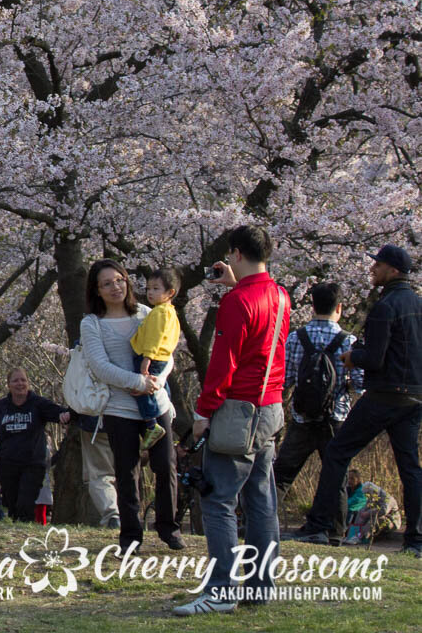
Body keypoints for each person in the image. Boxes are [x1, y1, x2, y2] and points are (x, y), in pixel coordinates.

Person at [174, 225, 288, 616]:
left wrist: (204, 413)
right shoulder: (280, 295)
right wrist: (235, 283)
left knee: (218, 499)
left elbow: (224, 363)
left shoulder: (238, 302)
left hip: (238, 408)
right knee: (261, 501)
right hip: (271, 407)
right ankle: (259, 588)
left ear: (236, 253)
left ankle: (221, 590)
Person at [291, 244, 422, 557]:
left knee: (338, 451)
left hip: (383, 395)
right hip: (414, 397)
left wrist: (352, 357)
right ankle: (416, 539)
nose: (373, 269)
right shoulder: (418, 303)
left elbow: (374, 357)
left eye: (378, 265)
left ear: (392, 270)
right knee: (410, 468)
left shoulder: (385, 305)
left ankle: (320, 526)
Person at [80, 259, 182, 554]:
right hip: (120, 406)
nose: (116, 287)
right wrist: (138, 383)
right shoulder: (92, 323)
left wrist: (158, 380)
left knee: (166, 467)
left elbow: (167, 351)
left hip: (157, 401)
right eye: (107, 283)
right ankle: (131, 535)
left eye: (120, 280)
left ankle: (169, 528)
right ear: (97, 291)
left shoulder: (146, 313)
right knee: (127, 472)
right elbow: (100, 366)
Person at [272, 282, 363, 539]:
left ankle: (261, 522)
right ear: (340, 308)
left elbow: (285, 380)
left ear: (312, 306)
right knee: (337, 475)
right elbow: (359, 384)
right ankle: (335, 532)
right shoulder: (349, 341)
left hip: (303, 417)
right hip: (336, 418)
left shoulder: (295, 338)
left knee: (282, 474)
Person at [0, 368, 72, 522]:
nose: (20, 384)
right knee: (13, 504)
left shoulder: (38, 404)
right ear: (9, 384)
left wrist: (65, 416)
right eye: (15, 380)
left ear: (28, 383)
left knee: (26, 503)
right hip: (7, 465)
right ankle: (17, 530)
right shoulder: (0, 407)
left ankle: (25, 528)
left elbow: (61, 414)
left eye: (23, 380)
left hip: (33, 464)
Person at [131, 267, 182, 451]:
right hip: (162, 357)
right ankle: (166, 404)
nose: (150, 292)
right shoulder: (170, 312)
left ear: (170, 293)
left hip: (151, 357)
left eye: (156, 289)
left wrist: (147, 357)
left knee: (143, 390)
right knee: (159, 386)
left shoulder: (159, 313)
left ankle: (151, 424)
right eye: (148, 288)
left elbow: (154, 337)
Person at [77, 415, 120, 529]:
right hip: (134, 422)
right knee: (128, 473)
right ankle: (127, 517)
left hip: (98, 423)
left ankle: (112, 516)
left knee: (100, 475)